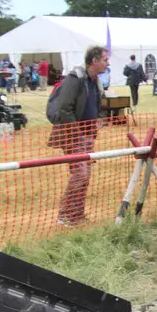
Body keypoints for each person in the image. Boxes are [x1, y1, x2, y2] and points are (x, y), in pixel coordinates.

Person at [50, 45, 108, 225]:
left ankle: (77, 215)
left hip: (88, 134)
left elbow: (98, 105)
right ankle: (65, 216)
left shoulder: (95, 81)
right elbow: (64, 109)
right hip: (72, 135)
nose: (108, 63)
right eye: (105, 60)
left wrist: (97, 120)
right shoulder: (74, 79)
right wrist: (77, 134)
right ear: (94, 61)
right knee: (80, 175)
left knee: (85, 176)